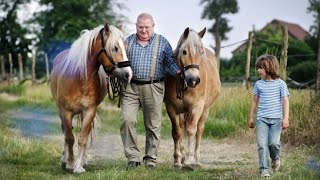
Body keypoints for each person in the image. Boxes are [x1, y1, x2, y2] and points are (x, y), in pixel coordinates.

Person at [120, 13, 180, 170]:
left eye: (147, 27)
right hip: (130, 86)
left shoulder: (162, 43)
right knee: (127, 120)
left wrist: (179, 73)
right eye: (140, 27)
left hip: (154, 86)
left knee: (153, 125)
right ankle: (133, 158)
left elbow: (170, 63)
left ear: (153, 26)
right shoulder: (128, 41)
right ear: (136, 26)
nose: (144, 30)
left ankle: (151, 159)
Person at [249, 54, 290, 177]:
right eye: (258, 68)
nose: (258, 70)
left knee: (273, 143)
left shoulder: (281, 84)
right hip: (262, 119)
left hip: (276, 119)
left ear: (269, 67)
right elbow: (254, 101)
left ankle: (275, 158)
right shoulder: (259, 84)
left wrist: (286, 118)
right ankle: (264, 169)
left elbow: (285, 100)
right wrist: (251, 117)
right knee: (262, 145)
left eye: (260, 68)